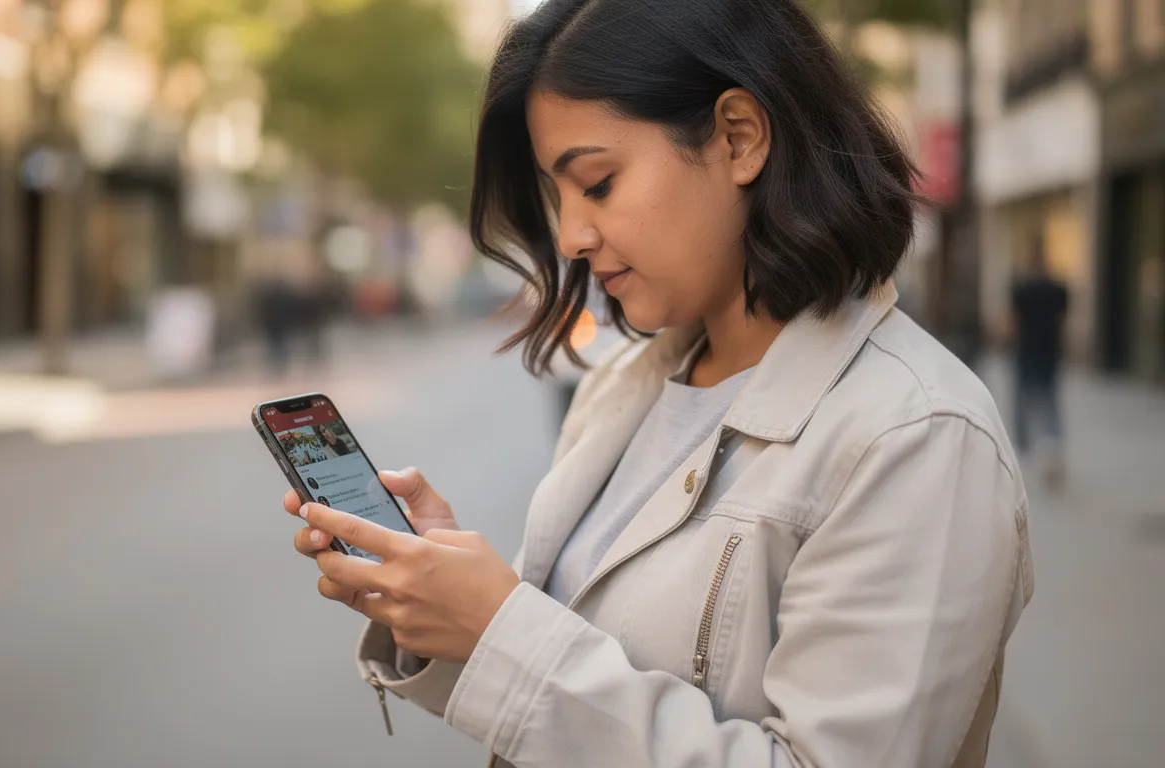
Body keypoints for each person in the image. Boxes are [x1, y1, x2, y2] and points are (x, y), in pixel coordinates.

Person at [285, 2, 1033, 766]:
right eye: (558, 196)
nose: (571, 236)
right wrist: (452, 611)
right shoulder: (622, 386)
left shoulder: (916, 437)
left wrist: (501, 632)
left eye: (598, 183)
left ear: (739, 138)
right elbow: (564, 687)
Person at [1010, 239, 1070, 488]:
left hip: (1026, 351)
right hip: (1049, 351)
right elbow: (1063, 320)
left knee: (1023, 400)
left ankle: (1024, 448)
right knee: (1050, 400)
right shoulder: (1057, 289)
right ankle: (1052, 445)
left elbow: (1013, 322)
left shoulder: (1022, 289)